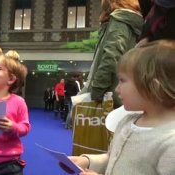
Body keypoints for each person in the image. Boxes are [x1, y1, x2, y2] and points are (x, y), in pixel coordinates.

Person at [62, 40, 175, 175]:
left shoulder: (170, 142)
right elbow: (114, 158)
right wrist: (87, 161)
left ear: (153, 86)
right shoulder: (127, 121)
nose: (116, 89)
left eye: (122, 80)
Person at [79, 0, 143, 109]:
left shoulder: (119, 20)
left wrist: (96, 92)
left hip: (109, 94)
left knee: (77, 119)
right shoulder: (129, 21)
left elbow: (111, 57)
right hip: (118, 92)